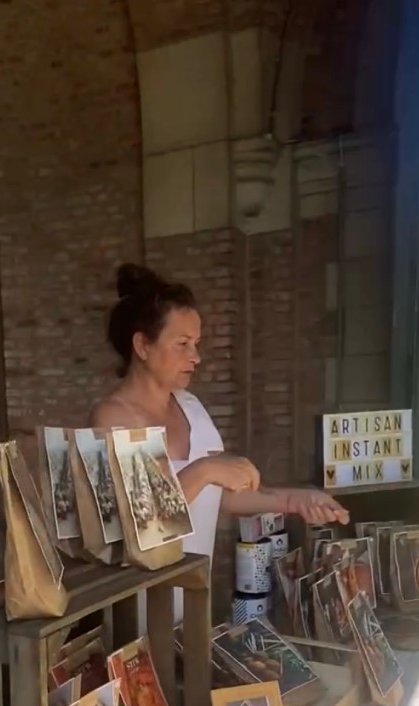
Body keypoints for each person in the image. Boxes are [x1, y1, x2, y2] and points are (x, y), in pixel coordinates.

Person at [91, 263, 349, 619]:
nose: (195, 357)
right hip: (137, 615)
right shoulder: (113, 418)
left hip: (193, 606)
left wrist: (293, 499)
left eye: (196, 344)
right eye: (182, 344)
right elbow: (144, 522)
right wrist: (207, 468)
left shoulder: (190, 407)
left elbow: (221, 495)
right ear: (142, 345)